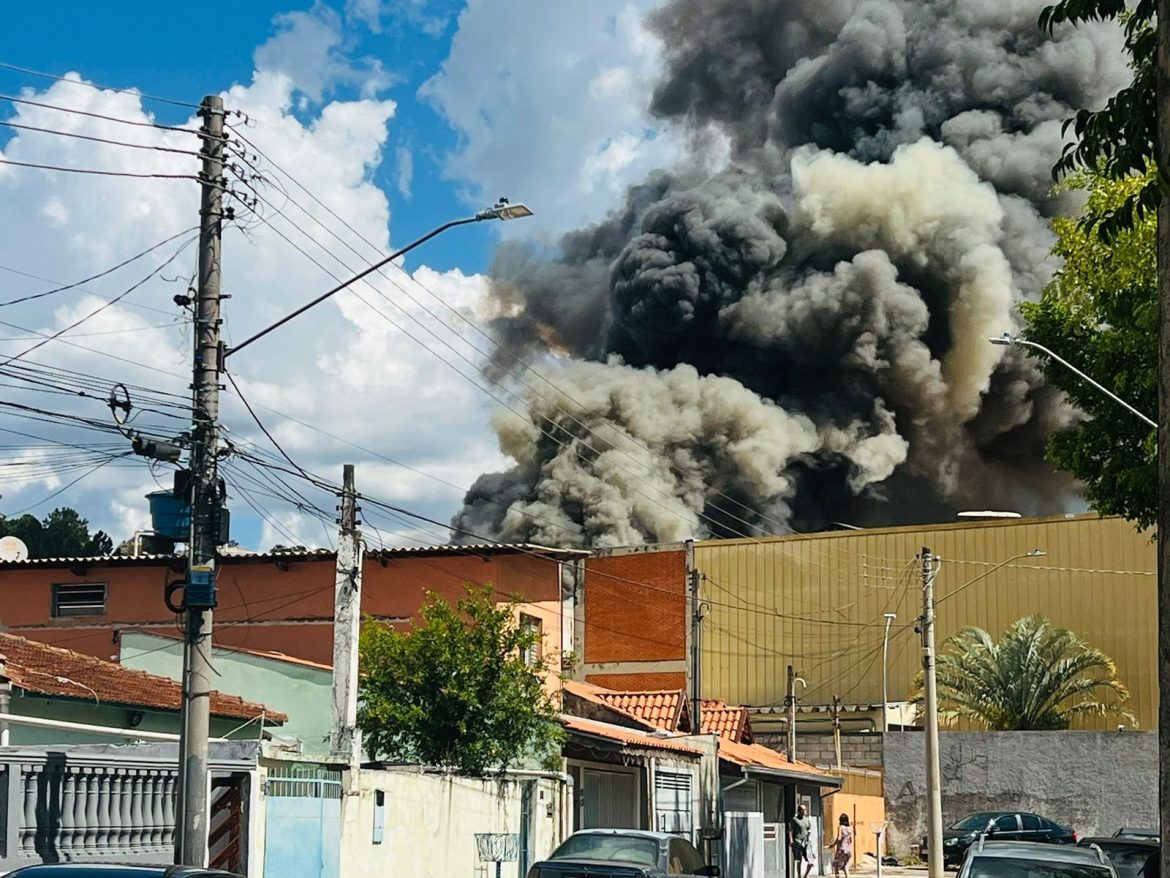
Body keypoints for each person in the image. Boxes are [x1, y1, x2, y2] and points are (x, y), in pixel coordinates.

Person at [789, 802, 814, 878]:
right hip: (798, 841)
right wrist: (791, 840)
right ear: (799, 811)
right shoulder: (795, 819)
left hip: (806, 842)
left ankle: (805, 875)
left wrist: (809, 833)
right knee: (799, 860)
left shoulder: (806, 819)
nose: (805, 811)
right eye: (803, 809)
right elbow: (791, 830)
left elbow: (809, 828)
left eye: (805, 809)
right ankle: (799, 876)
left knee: (810, 860)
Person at [830, 813, 853, 878]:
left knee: (836, 865)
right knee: (845, 866)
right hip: (848, 850)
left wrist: (833, 845)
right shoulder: (850, 829)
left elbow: (839, 838)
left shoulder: (841, 827)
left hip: (841, 850)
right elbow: (851, 840)